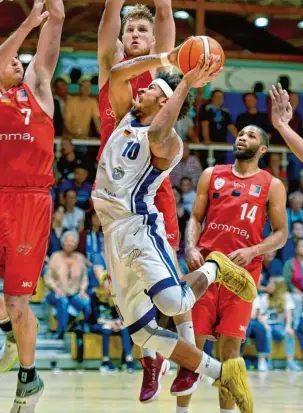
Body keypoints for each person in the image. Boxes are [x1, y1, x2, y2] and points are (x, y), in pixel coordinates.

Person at [92, 46, 256, 412]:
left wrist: (183, 82)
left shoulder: (170, 142)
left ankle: (215, 267)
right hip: (111, 233)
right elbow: (118, 73)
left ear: (164, 101)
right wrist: (167, 57)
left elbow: (159, 130)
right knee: (143, 333)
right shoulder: (125, 118)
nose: (141, 89)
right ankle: (219, 372)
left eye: (150, 90)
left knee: (174, 302)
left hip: (139, 228)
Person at [0, 1, 65, 411]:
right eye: (11, 60)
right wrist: (25, 23)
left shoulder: (38, 87)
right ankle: (6, 326)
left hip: (30, 204)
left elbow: (54, 26)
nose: (19, 63)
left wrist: (50, 11)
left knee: (20, 299)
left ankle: (28, 378)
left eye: (21, 60)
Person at [97, 2, 201, 402]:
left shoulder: (162, 75)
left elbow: (164, 16)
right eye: (131, 31)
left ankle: (188, 359)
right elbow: (109, 21)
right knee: (132, 292)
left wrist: (163, 9)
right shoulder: (115, 72)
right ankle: (151, 361)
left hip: (151, 185)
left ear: (155, 39)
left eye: (143, 29)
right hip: (114, 190)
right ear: (123, 39)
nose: (136, 34)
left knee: (170, 274)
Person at [177, 124, 288, 413]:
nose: (243, 137)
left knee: (230, 354)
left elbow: (281, 233)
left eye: (251, 135)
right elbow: (195, 217)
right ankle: (181, 411)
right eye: (241, 133)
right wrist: (190, 246)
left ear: (262, 149)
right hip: (206, 269)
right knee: (192, 347)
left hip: (242, 276)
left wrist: (254, 250)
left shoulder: (272, 184)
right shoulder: (211, 174)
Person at [44, 231, 91, 340]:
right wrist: (55, 288)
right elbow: (48, 277)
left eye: (73, 241)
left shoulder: (80, 257)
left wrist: (82, 290)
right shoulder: (55, 256)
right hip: (55, 292)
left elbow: (84, 278)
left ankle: (82, 326)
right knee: (62, 300)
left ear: (76, 244)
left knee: (86, 302)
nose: (70, 243)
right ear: (63, 242)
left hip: (74, 293)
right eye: (68, 241)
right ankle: (61, 331)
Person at [269, 83, 303, 162]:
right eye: (292, 100)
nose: (294, 102)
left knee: (294, 161)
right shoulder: (279, 114)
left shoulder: (298, 117)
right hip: (278, 147)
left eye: (296, 100)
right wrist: (281, 125)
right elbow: (273, 134)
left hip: (292, 150)